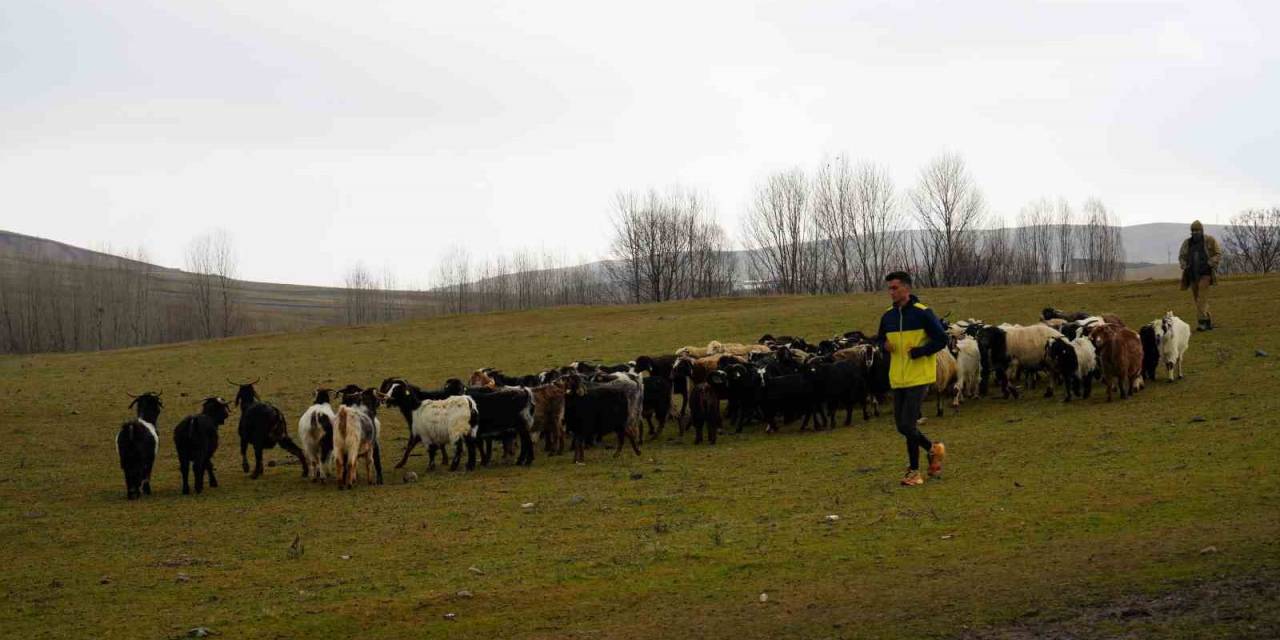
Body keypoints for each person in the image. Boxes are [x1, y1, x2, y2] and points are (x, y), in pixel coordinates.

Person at [877, 271, 947, 487]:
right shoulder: (887, 316)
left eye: (895, 287)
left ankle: (914, 472)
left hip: (919, 376)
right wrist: (883, 345)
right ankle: (933, 449)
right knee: (902, 426)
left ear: (906, 288)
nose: (891, 292)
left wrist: (921, 351)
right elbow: (879, 339)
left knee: (907, 424)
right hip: (898, 378)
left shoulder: (923, 313)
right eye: (889, 288)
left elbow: (942, 339)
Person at [1178, 220, 1221, 331]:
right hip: (1192, 276)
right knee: (1198, 300)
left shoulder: (1209, 240)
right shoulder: (1187, 243)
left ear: (1202, 230)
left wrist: (1210, 263)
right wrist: (1184, 265)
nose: (1195, 232)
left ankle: (1201, 323)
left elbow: (1218, 253)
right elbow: (1181, 256)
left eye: (1197, 230)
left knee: (1202, 299)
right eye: (1193, 230)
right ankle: (1208, 322)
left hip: (1205, 275)